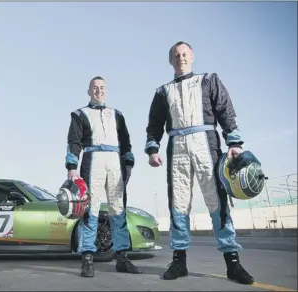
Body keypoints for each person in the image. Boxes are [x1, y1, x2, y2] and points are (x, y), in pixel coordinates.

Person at [144, 41, 254, 285]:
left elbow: (225, 110)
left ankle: (232, 263)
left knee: (217, 200)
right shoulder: (163, 91)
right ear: (170, 61)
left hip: (207, 144)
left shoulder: (209, 80)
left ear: (192, 56)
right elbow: (154, 125)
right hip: (177, 148)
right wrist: (153, 149)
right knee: (179, 203)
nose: (180, 58)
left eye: (184, 54)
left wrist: (234, 142)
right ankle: (179, 261)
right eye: (176, 55)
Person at [65, 76, 143, 278]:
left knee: (118, 210)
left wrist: (128, 164)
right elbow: (74, 142)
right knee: (91, 210)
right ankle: (87, 258)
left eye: (102, 88)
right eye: (95, 88)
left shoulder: (117, 115)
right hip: (92, 161)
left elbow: (126, 143)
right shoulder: (80, 114)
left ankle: (122, 257)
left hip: (115, 162)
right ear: (89, 91)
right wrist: (72, 167)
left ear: (106, 91)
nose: (98, 91)